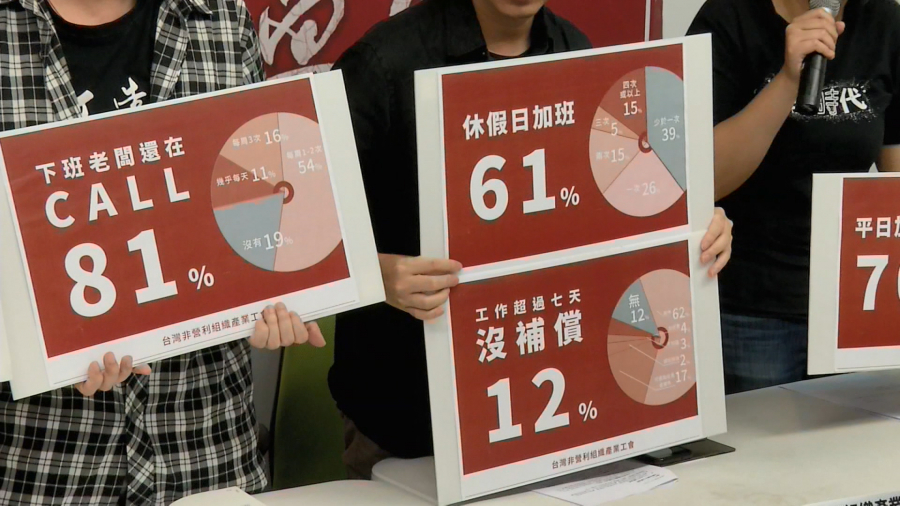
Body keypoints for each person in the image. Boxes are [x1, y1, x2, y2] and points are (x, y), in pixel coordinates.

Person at [329, 0, 735, 480]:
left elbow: (606, 213)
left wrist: (693, 228)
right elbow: (308, 232)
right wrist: (378, 273)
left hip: (543, 422)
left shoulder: (574, 50)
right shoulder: (383, 63)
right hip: (403, 421)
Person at [0, 0, 325, 501]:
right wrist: (50, 347)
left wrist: (279, 290)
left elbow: (252, 191)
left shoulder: (220, 16)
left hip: (207, 444)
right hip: (45, 460)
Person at [687, 0, 900, 393]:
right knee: (763, 431)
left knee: (854, 432)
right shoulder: (729, 19)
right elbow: (701, 179)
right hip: (752, 307)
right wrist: (788, 81)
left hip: (851, 305)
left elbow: (894, 176)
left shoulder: (884, 21)